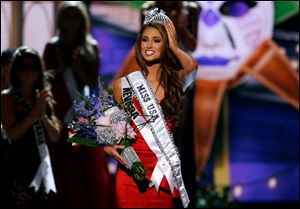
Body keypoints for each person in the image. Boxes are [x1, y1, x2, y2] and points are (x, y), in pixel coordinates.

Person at [105, 8, 198, 208]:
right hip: (131, 175)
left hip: (161, 175)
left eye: (157, 40)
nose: (149, 45)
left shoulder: (173, 82)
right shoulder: (124, 85)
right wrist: (108, 145)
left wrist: (174, 45)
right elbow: (113, 125)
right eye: (145, 39)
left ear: (165, 45)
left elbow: (191, 67)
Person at [43, 1, 115, 208]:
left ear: (82, 20)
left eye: (76, 17)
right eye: (67, 16)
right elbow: (46, 79)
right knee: (60, 159)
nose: (71, 22)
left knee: (87, 164)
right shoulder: (52, 46)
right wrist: (61, 64)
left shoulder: (90, 46)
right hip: (59, 108)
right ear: (60, 20)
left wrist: (76, 66)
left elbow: (93, 82)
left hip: (81, 110)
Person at [1, 46, 61, 208]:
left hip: (41, 165)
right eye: (24, 66)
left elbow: (55, 136)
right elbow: (12, 135)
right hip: (17, 165)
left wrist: (42, 116)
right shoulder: (8, 97)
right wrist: (33, 114)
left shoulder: (43, 96)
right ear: (16, 70)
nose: (30, 71)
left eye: (34, 66)